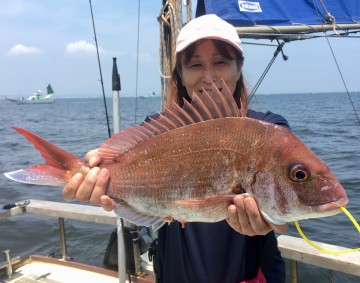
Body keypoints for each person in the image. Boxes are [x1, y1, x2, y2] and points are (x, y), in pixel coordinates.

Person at [63, 14, 289, 283]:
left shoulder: (267, 128)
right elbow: (120, 175)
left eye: (220, 62)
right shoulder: (156, 130)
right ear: (180, 74)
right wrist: (97, 176)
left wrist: (268, 222)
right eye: (195, 64)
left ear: (239, 67)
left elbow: (282, 220)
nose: (208, 76)